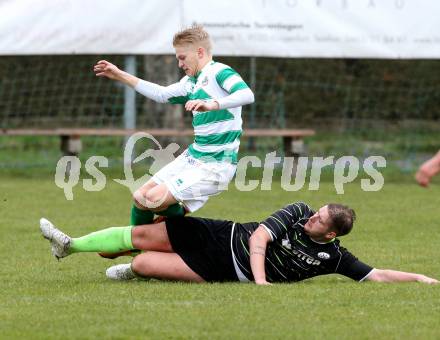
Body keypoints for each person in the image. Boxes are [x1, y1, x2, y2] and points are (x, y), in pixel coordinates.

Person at [39, 202, 438, 285]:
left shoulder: (331, 258)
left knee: (143, 263)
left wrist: (423, 280)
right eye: (315, 211)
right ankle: (68, 244)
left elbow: (376, 275)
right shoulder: (296, 210)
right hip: (221, 234)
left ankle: (133, 267)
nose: (310, 217)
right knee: (140, 234)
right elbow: (261, 238)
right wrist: (261, 283)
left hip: (221, 270)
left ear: (330, 234)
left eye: (319, 220)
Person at [93, 24, 254, 228]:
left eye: (182, 57)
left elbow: (247, 95)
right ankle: (142, 248)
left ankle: (155, 241)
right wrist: (120, 75)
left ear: (200, 52)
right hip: (194, 156)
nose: (179, 63)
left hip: (216, 165)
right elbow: (161, 94)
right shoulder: (191, 82)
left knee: (153, 199)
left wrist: (212, 104)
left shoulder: (219, 72)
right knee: (140, 196)